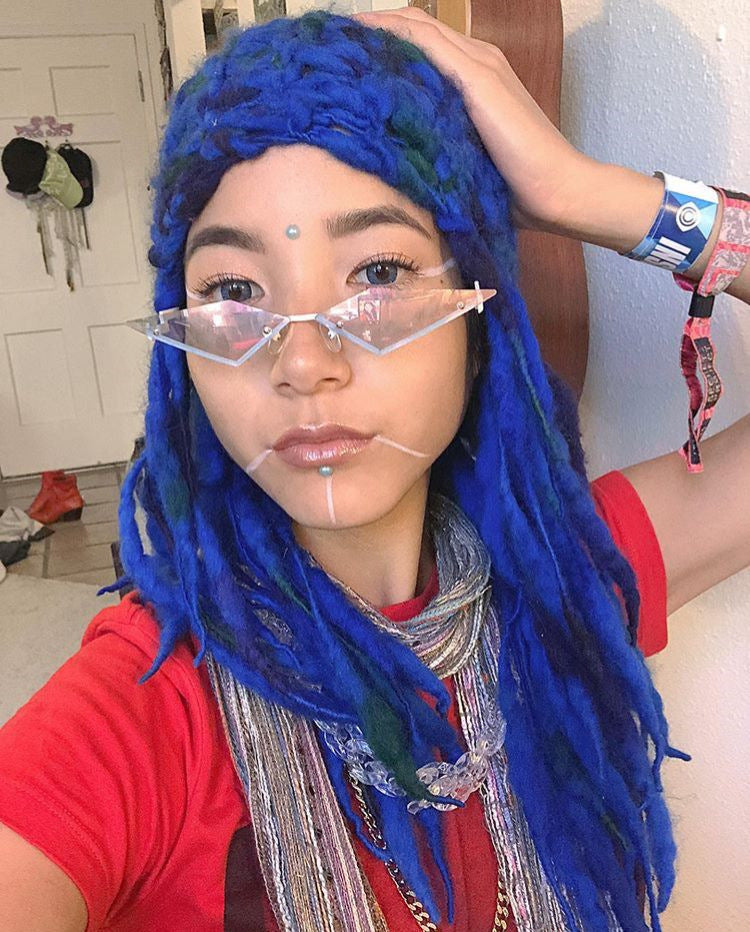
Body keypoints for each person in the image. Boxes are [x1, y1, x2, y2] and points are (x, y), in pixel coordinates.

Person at [0, 8, 748, 932]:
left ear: (478, 317)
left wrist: (585, 193)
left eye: (380, 273)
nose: (302, 363)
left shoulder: (572, 581)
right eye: (232, 290)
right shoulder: (145, 709)